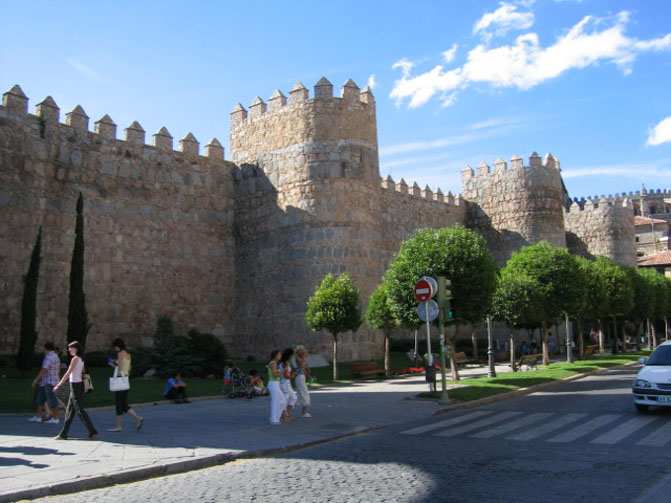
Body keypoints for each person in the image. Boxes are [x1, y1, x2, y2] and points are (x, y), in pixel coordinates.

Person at [53, 341, 98, 440]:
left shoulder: (75, 359)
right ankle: (63, 434)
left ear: (76, 349)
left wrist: (58, 385)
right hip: (77, 386)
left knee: (80, 410)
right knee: (70, 411)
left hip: (76, 387)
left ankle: (93, 431)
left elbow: (67, 373)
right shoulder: (81, 359)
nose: (69, 350)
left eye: (71, 348)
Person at [107, 338, 143, 432]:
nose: (114, 349)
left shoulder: (120, 354)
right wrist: (117, 362)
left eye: (115, 347)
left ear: (117, 346)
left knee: (119, 403)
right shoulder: (127, 354)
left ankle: (119, 426)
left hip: (119, 380)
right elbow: (129, 368)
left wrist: (112, 364)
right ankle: (137, 419)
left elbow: (120, 368)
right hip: (125, 380)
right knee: (123, 403)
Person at [28, 342, 61, 424]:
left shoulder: (48, 357)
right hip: (49, 381)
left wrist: (36, 380)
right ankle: (38, 416)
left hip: (49, 382)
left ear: (45, 348)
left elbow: (44, 369)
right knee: (40, 399)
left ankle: (55, 418)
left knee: (52, 400)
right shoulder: (56, 356)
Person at [267, 350, 287, 425]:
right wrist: (283, 371)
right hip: (273, 383)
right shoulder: (273, 363)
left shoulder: (274, 363)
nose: (280, 356)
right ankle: (274, 419)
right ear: (276, 355)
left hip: (275, 383)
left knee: (282, 400)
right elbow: (275, 375)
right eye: (279, 354)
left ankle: (275, 417)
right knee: (276, 401)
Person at [279, 348, 297, 420]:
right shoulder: (284, 364)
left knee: (293, 397)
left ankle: (287, 412)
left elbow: (287, 373)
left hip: (287, 383)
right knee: (285, 399)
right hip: (285, 383)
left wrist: (291, 374)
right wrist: (293, 376)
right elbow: (286, 376)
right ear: (290, 355)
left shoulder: (285, 363)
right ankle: (283, 415)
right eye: (292, 355)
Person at [294, 345, 312, 418]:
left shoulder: (303, 359)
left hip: (302, 377)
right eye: (302, 350)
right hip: (299, 377)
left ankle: (288, 408)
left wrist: (308, 375)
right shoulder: (298, 358)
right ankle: (304, 413)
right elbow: (302, 366)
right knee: (305, 394)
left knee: (300, 396)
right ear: (299, 352)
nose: (304, 351)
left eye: (304, 350)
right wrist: (304, 359)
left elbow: (304, 369)